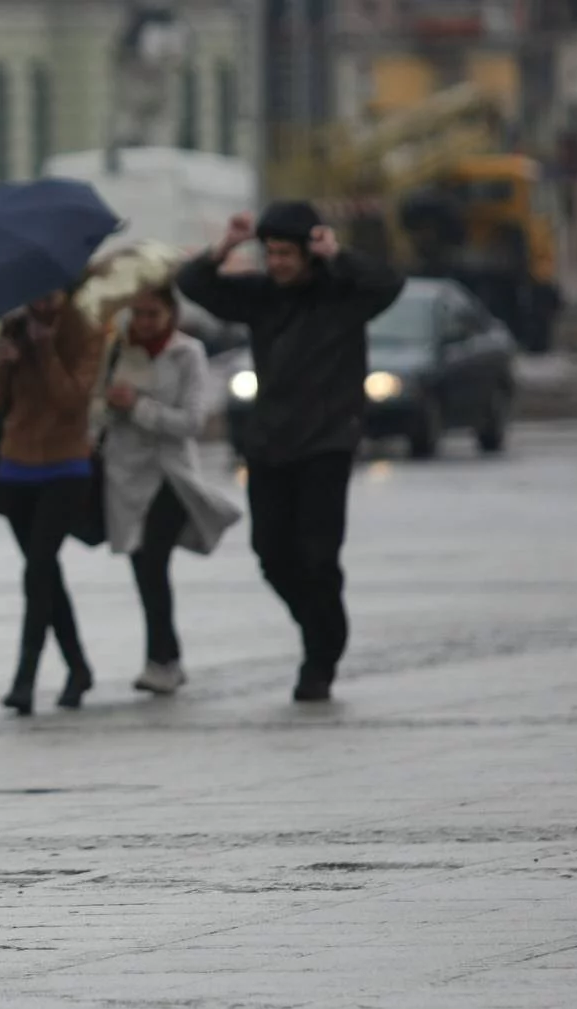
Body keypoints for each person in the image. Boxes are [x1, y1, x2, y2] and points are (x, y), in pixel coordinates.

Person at [177, 203, 402, 702]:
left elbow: (388, 284)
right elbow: (194, 286)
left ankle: (320, 658)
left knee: (319, 555)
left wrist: (337, 255)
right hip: (269, 443)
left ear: (309, 252)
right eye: (271, 252)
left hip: (327, 442)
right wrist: (226, 246)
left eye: (286, 253)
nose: (276, 263)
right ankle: (321, 630)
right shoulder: (261, 297)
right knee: (272, 555)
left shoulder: (343, 293)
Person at [93, 284, 243, 694]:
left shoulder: (187, 353)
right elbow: (96, 412)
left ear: (170, 315)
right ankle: (166, 656)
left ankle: (161, 660)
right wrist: (110, 403)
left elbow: (192, 422)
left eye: (152, 314)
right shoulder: (116, 350)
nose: (142, 322)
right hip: (125, 477)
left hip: (170, 476)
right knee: (143, 568)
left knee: (153, 562)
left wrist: (138, 407)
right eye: (136, 313)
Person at [0, 281, 109, 716]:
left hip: (67, 465)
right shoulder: (11, 328)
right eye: (34, 292)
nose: (41, 301)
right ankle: (78, 668)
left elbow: (73, 400)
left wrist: (47, 349)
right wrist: (3, 364)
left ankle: (25, 678)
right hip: (15, 466)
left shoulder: (84, 330)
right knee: (43, 571)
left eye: (50, 293)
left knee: (38, 568)